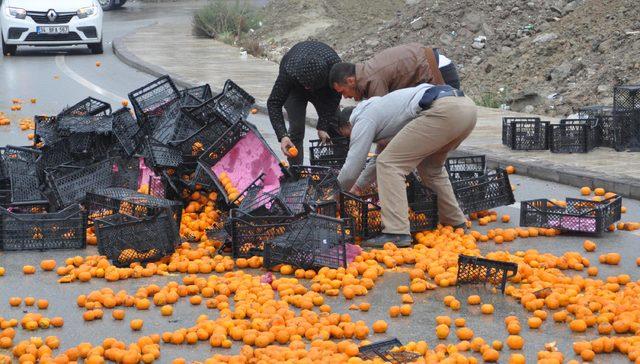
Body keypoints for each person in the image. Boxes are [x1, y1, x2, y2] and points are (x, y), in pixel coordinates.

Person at [336, 83, 476, 248]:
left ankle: (396, 232)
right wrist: (358, 187)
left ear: (349, 124)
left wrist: (337, 192)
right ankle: (455, 222)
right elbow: (379, 158)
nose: (352, 138)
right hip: (466, 109)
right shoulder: (385, 113)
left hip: (443, 110)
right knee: (431, 169)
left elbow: (355, 165)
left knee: (390, 165)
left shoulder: (363, 118)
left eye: (349, 135)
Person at [267, 40, 342, 165]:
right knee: (296, 129)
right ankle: (297, 173)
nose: (308, 89)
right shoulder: (289, 70)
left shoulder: (334, 67)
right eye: (306, 86)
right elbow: (274, 103)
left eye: (310, 87)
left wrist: (323, 125)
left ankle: (339, 168)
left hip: (323, 90)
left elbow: (336, 95)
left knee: (334, 123)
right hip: (295, 89)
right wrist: (282, 135)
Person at [328, 43, 460, 101]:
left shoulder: (372, 80)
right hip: (435, 68)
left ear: (351, 81)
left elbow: (382, 121)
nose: (345, 97)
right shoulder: (367, 73)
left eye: (343, 92)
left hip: (439, 72)